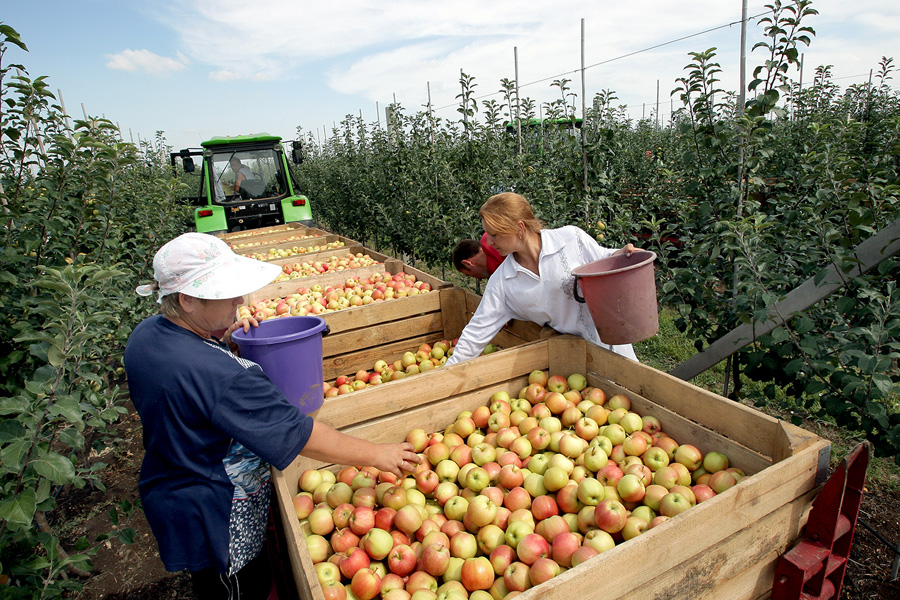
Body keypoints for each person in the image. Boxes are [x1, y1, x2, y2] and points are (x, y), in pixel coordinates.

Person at [126, 232, 420, 600]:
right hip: (218, 514)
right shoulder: (226, 378)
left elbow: (189, 383)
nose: (239, 299)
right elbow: (299, 434)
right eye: (226, 292)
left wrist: (222, 343)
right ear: (186, 300)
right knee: (236, 589)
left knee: (210, 580)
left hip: (172, 483)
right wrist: (380, 454)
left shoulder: (146, 336)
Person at [445, 192, 639, 366]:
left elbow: (602, 258)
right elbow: (475, 334)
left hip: (613, 344)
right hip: (575, 361)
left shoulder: (569, 239)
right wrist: (444, 375)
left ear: (519, 227)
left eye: (494, 234)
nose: (489, 242)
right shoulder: (504, 281)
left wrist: (620, 254)